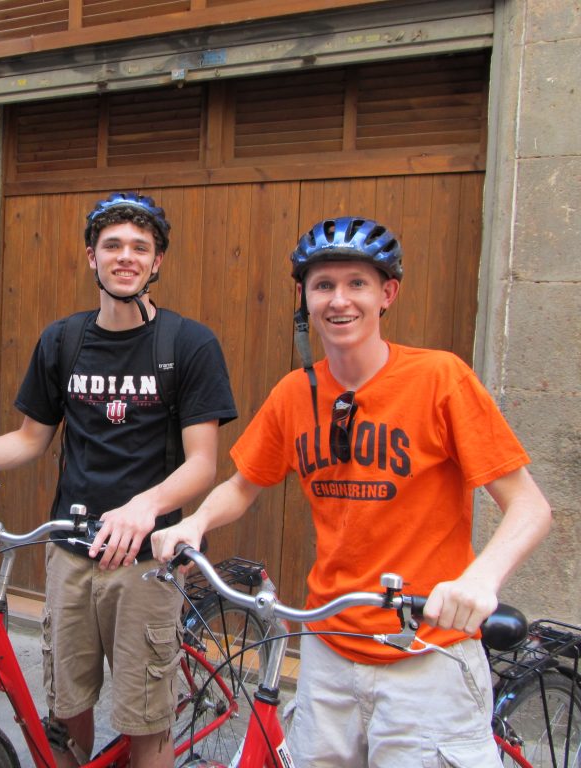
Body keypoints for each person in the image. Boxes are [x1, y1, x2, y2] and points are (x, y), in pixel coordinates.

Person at [152, 216, 552, 767]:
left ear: (387, 293)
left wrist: (479, 579)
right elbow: (244, 485)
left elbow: (530, 507)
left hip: (426, 655)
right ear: (305, 298)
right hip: (327, 653)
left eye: (357, 284)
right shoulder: (296, 393)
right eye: (323, 286)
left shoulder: (441, 379)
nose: (340, 300)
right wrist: (194, 522)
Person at [0, 192, 237, 768]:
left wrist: (144, 507)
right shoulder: (63, 340)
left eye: (141, 247)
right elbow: (30, 438)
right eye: (112, 245)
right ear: (92, 257)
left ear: (157, 261)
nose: (126, 257)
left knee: (145, 723)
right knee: (67, 708)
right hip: (70, 552)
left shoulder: (189, 344)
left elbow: (202, 464)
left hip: (145, 563)